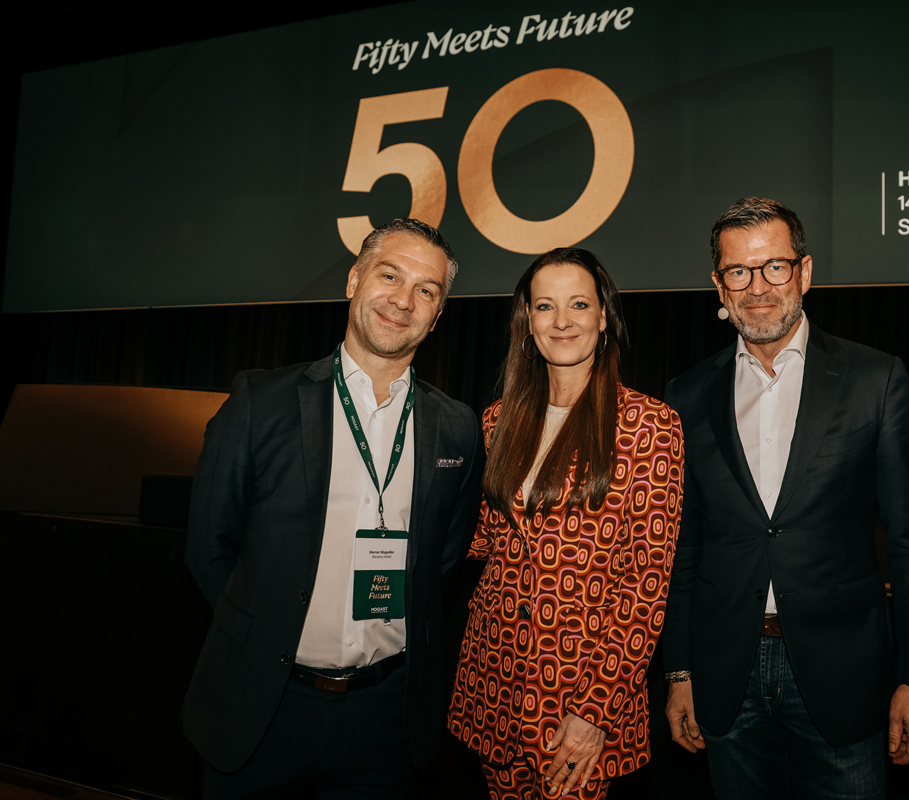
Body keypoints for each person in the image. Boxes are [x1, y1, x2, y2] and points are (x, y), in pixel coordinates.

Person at [181, 218, 484, 798]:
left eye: (427, 290)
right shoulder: (259, 402)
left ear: (439, 313)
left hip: (386, 722)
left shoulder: (457, 427)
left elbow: (442, 564)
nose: (404, 299)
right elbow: (208, 549)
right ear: (353, 279)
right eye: (389, 275)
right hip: (263, 709)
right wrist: (264, 632)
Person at [661, 198, 909, 799]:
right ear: (718, 284)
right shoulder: (685, 396)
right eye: (739, 271)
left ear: (806, 273)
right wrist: (680, 671)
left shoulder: (876, 380)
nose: (757, 287)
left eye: (775, 267)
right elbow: (682, 550)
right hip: (724, 677)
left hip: (844, 676)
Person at [447, 248, 684, 800]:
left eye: (579, 304)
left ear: (604, 317)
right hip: (493, 683)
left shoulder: (649, 426)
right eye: (545, 306)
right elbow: (482, 541)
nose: (562, 320)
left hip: (580, 693)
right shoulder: (496, 421)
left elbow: (645, 585)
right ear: (527, 323)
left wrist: (595, 710)